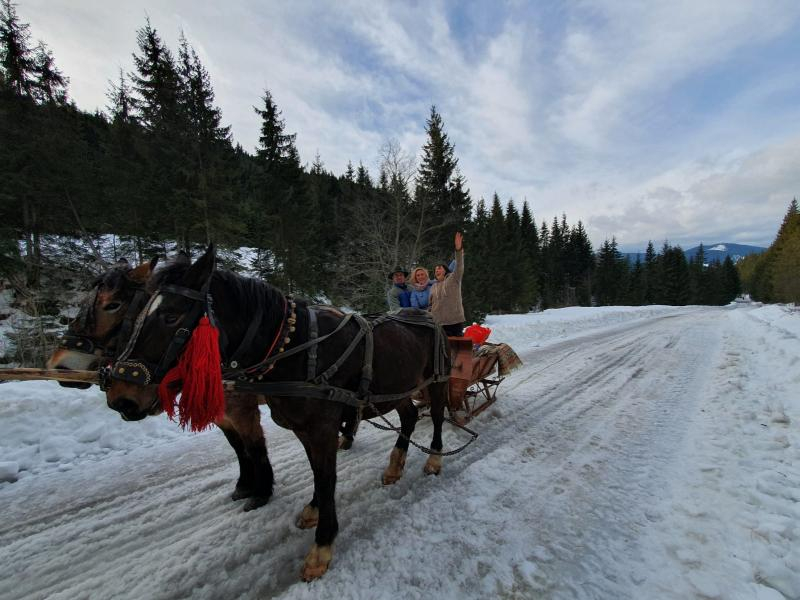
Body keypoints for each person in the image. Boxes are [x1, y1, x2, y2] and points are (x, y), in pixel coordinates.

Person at [430, 232, 465, 336]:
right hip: (438, 323)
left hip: (454, 321)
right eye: (435, 270)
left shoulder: (454, 279)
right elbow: (430, 305)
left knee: (455, 349)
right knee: (439, 349)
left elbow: (459, 265)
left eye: (439, 268)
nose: (437, 270)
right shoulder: (433, 286)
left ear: (445, 270)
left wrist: (458, 250)